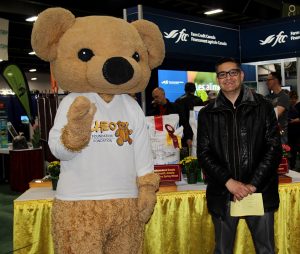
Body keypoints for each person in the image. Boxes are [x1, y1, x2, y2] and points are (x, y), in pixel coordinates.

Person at [197, 57, 282, 254]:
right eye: (222, 74)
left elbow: (273, 148)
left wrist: (252, 184)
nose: (228, 78)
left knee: (266, 249)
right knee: (222, 250)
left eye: (233, 72)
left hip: (259, 191)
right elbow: (204, 153)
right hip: (223, 193)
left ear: (242, 75)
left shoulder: (263, 106)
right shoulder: (207, 113)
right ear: (217, 78)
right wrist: (229, 182)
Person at [175, 82, 204, 147]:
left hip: (182, 133)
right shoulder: (199, 100)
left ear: (185, 89)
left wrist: (187, 136)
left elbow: (181, 120)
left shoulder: (178, 101)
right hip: (197, 132)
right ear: (194, 89)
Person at [265, 72, 290, 144]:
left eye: (268, 80)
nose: (266, 82)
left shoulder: (284, 97)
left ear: (275, 80)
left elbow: (275, 114)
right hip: (269, 136)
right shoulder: (267, 97)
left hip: (280, 137)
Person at [288, 91, 300, 170]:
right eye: (291, 99)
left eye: (294, 99)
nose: (293, 100)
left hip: (297, 131)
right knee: (290, 149)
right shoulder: (288, 106)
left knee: (296, 148)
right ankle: (290, 166)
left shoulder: (299, 106)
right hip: (289, 131)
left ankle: (294, 165)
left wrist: (294, 120)